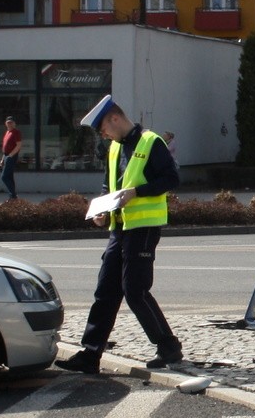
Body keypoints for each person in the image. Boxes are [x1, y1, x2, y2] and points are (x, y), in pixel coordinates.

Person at [60, 95, 183, 373]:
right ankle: (90, 355)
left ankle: (169, 348)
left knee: (135, 291)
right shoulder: (115, 147)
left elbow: (171, 179)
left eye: (103, 128)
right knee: (105, 290)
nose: (102, 134)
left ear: (115, 118)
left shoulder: (152, 142)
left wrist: (136, 192)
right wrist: (100, 210)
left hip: (144, 228)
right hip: (119, 228)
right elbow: (110, 184)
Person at [0, 117, 22, 200]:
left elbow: (18, 145)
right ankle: (12, 197)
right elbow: (5, 148)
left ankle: (13, 195)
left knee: (4, 177)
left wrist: (10, 155)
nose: (10, 124)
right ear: (5, 123)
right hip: (6, 155)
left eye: (11, 122)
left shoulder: (16, 132)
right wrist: (2, 159)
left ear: (14, 123)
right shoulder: (7, 132)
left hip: (11, 156)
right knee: (9, 177)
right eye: (8, 122)